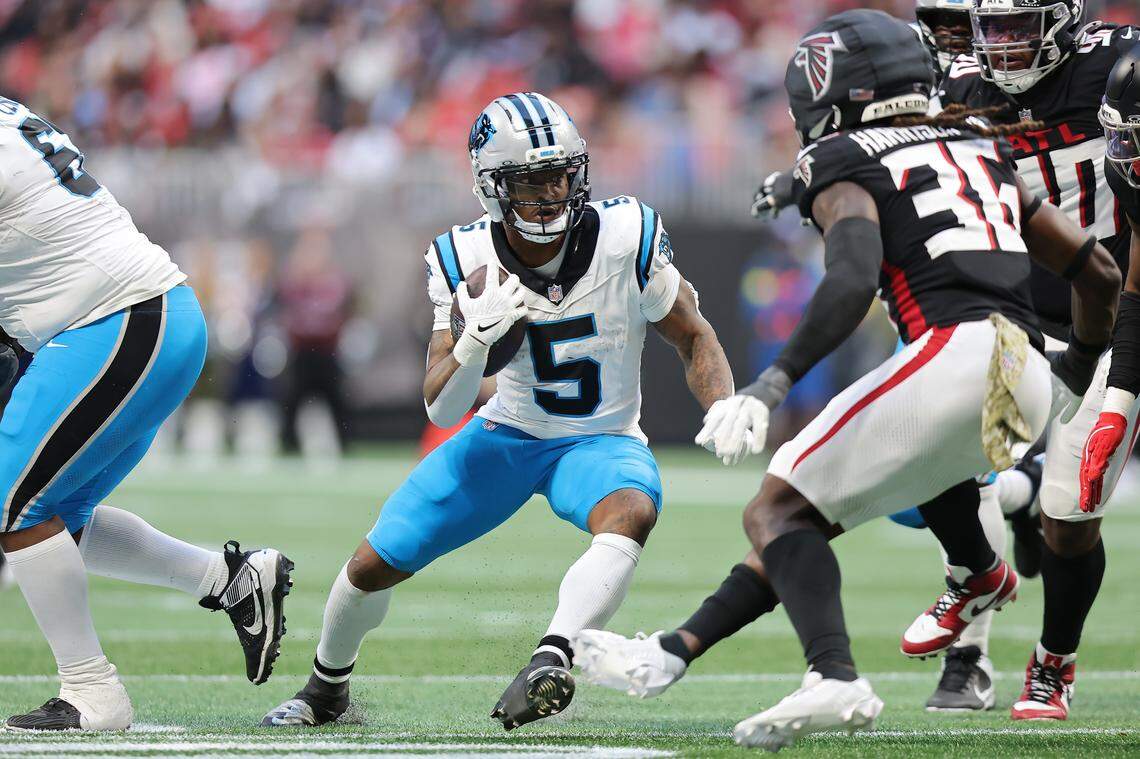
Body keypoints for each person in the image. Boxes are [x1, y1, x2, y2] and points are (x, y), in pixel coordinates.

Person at [572, 10, 1120, 750]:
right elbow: (1098, 270)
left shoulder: (839, 155)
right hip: (1021, 364)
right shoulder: (974, 141)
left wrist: (771, 383)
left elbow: (854, 275)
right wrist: (1075, 372)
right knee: (806, 516)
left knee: (776, 503)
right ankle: (677, 648)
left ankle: (837, 673)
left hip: (955, 354)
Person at [261, 91, 737, 730]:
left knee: (630, 511)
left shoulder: (626, 236)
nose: (551, 194)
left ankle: (554, 654)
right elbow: (440, 406)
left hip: (600, 438)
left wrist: (725, 407)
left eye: (560, 176)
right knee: (370, 566)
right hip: (507, 431)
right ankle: (326, 690)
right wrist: (474, 342)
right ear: (492, 188)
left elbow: (694, 334)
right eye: (530, 182)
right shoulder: (463, 261)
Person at [0, 96, 293, 732]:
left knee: (12, 505)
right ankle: (228, 579)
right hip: (139, 323)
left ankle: (92, 691)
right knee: (54, 519)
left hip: (114, 325)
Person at [933, 0, 1139, 720]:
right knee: (948, 469)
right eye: (992, 28)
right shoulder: (961, 87)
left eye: (1021, 26)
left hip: (1116, 314)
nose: (1004, 45)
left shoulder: (1118, 67)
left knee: (1069, 511)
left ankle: (1053, 661)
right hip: (1016, 315)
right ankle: (971, 637)